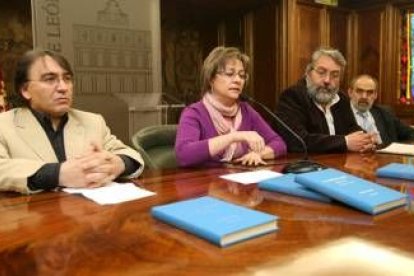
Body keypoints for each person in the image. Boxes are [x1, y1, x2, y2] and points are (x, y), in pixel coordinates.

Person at [0, 49, 144, 194]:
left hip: (89, 210)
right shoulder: (4, 125)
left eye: (67, 79)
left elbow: (130, 155)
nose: (63, 88)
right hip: (30, 213)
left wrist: (117, 164)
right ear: (25, 90)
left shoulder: (92, 121)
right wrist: (58, 174)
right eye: (50, 79)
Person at [175, 46, 287, 167]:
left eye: (242, 75)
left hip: (238, 180)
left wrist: (259, 154)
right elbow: (184, 154)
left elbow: (279, 143)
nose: (238, 80)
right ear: (211, 79)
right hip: (204, 182)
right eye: (230, 74)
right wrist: (234, 137)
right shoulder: (194, 113)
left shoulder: (246, 111)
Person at [275, 47, 375, 153]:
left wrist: (366, 140)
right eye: (321, 72)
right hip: (306, 165)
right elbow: (298, 141)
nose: (327, 80)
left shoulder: (341, 98)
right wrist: (344, 142)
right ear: (308, 73)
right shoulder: (293, 96)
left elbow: (352, 128)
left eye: (335, 75)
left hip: (339, 164)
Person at [348, 74, 414, 147]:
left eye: (370, 92)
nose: (364, 96)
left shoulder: (384, 112)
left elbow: (410, 133)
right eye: (359, 91)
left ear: (375, 95)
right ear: (350, 92)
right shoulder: (340, 115)